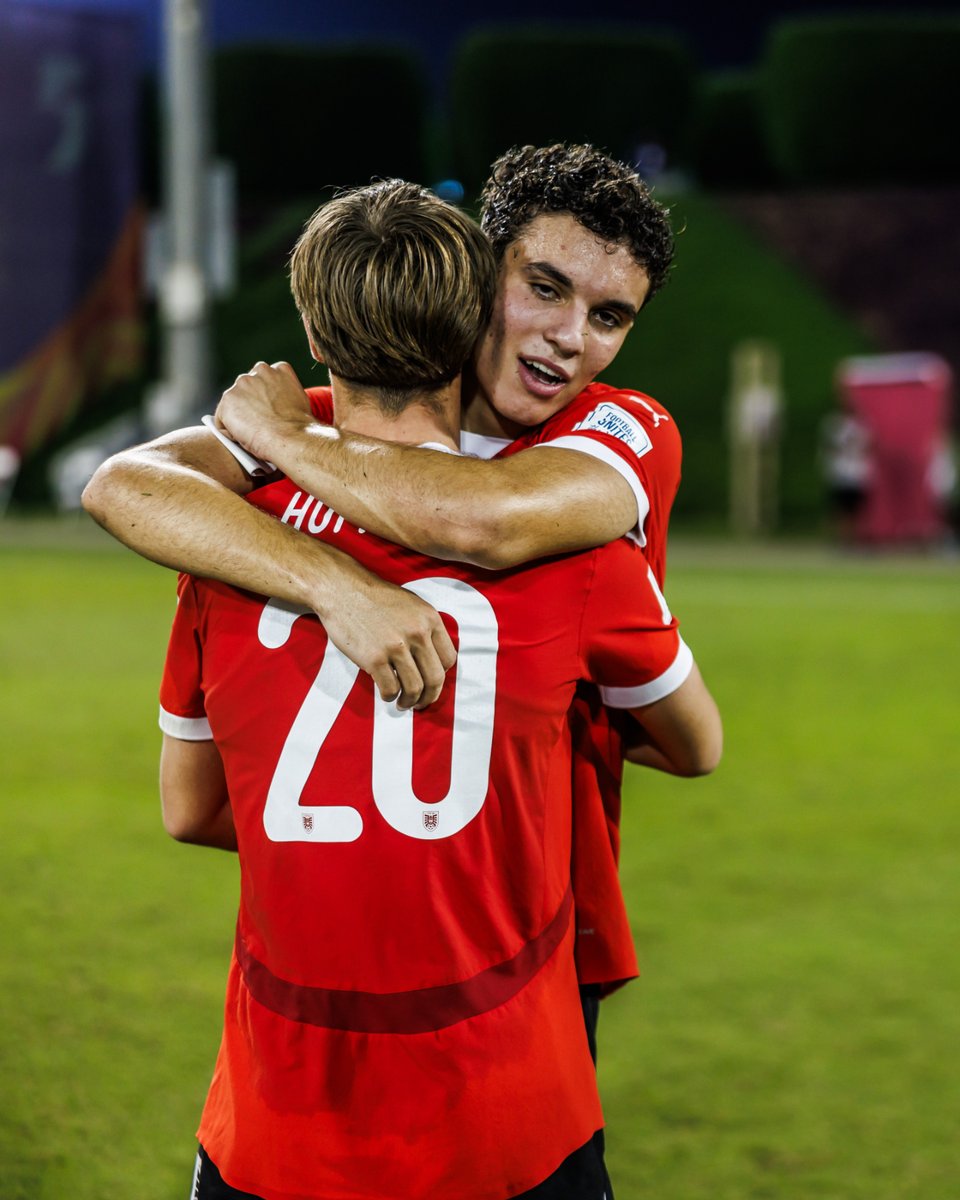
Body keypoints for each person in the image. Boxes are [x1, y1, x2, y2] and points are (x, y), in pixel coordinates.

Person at [156, 179, 721, 1199]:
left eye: (608, 317)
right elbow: (121, 481)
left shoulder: (614, 433)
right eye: (543, 288)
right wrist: (336, 586)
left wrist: (285, 450)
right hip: (497, 949)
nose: (568, 338)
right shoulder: (582, 562)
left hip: (447, 949)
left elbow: (482, 520)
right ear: (475, 281)